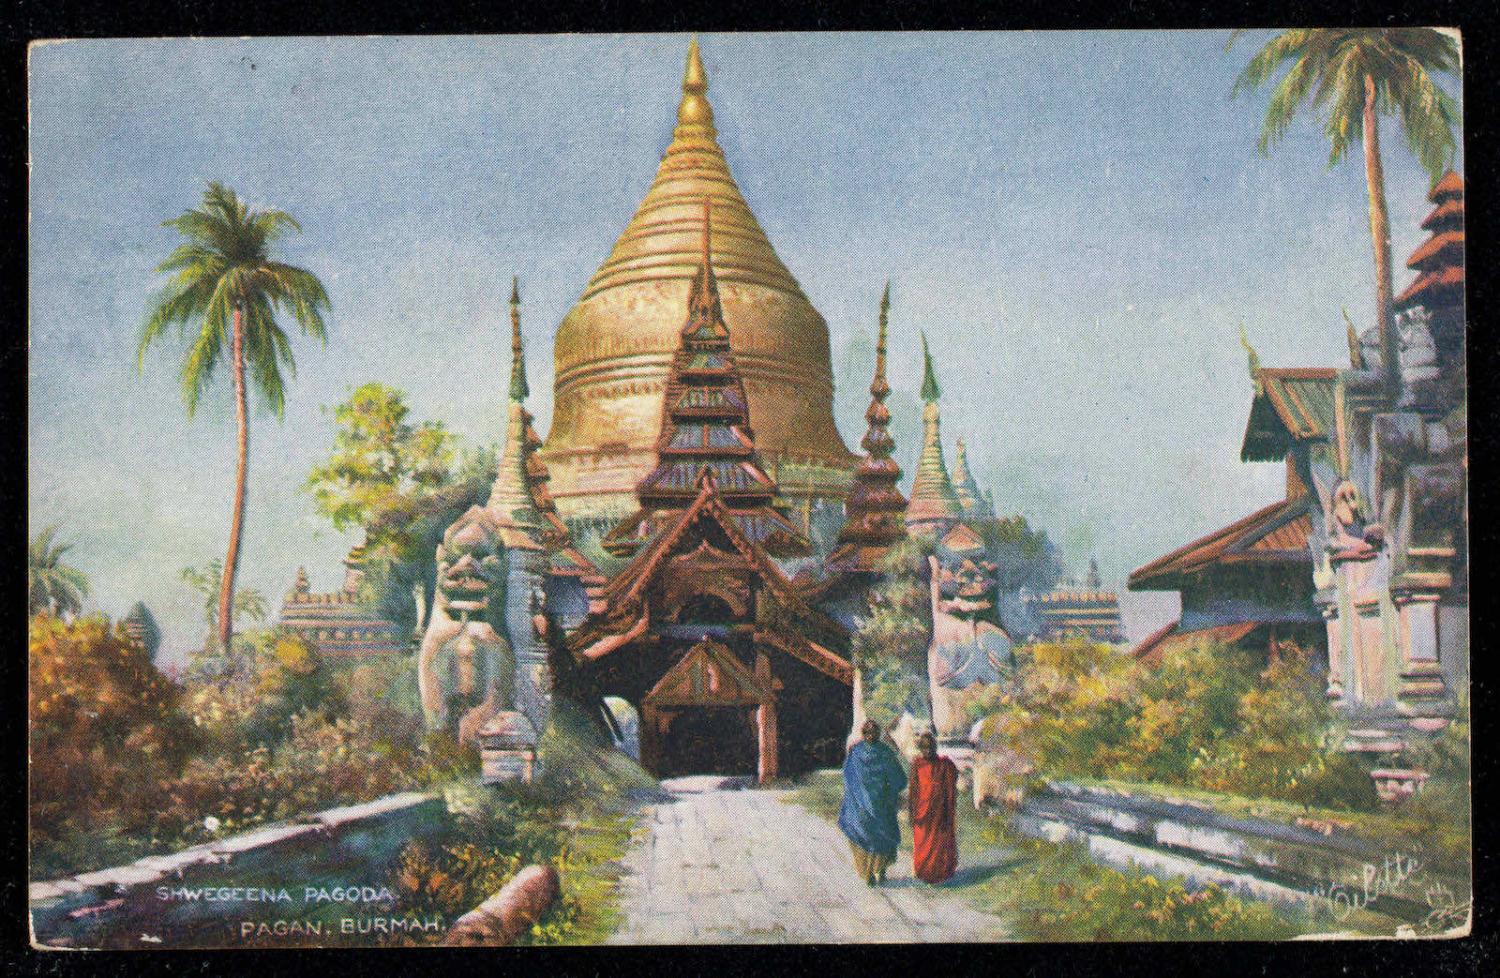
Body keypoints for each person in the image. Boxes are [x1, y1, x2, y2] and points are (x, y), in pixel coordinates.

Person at [837, 719, 907, 885]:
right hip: (879, 805)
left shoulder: (860, 752)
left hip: (865, 806)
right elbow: (899, 779)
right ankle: (876, 872)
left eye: (872, 732)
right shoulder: (884, 752)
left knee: (866, 835)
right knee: (881, 836)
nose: (871, 735)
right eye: (869, 733)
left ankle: (872, 872)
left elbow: (848, 777)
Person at [909, 730, 959, 885]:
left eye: (930, 747)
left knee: (939, 842)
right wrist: (912, 811)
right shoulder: (917, 765)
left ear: (935, 747)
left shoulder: (944, 765)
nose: (927, 751)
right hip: (922, 811)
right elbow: (913, 790)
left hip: (939, 811)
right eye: (924, 748)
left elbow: (951, 785)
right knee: (923, 842)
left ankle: (940, 872)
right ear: (920, 749)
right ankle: (924, 872)